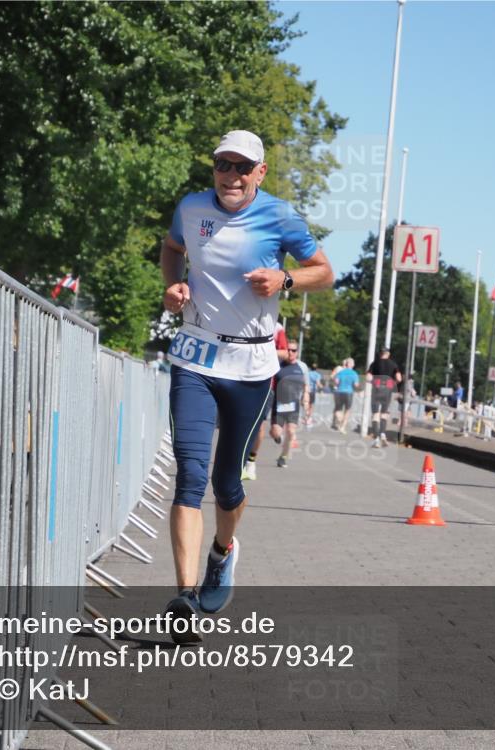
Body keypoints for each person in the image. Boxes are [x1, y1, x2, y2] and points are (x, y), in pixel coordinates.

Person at [160, 129, 333, 639]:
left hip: (251, 365)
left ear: (259, 173)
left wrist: (286, 280)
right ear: (213, 168)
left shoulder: (280, 216)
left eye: (242, 167)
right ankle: (186, 600)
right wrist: (171, 285)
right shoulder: (191, 209)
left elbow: (324, 271)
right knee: (189, 475)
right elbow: (172, 248)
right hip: (194, 354)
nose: (230, 176)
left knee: (226, 483)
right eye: (223, 165)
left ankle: (223, 552)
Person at [242, 323, 289, 481]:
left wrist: (261, 350)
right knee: (235, 421)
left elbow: (285, 353)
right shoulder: (240, 316)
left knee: (258, 424)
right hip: (237, 378)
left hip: (264, 382)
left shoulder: (277, 327)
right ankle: (235, 460)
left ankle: (251, 461)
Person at [271, 344, 309, 467]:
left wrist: (306, 400)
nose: (290, 352)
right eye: (288, 350)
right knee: (275, 432)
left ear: (297, 352)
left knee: (291, 432)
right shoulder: (278, 365)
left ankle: (283, 457)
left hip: (294, 405)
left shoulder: (302, 367)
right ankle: (278, 438)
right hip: (278, 404)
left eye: (293, 350)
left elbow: (306, 385)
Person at [366, 349, 402, 448]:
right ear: (388, 354)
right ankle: (383, 434)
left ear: (380, 354)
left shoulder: (374, 363)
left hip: (377, 389)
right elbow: (399, 378)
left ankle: (376, 439)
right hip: (388, 390)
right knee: (384, 414)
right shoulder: (394, 365)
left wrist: (373, 381)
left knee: (375, 414)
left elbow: (368, 377)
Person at [332, 358, 360, 434]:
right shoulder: (354, 373)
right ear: (352, 365)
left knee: (338, 409)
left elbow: (336, 382)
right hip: (349, 392)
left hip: (339, 392)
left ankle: (339, 419)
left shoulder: (340, 372)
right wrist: (356, 386)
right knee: (347, 410)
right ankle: (343, 427)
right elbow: (356, 385)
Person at [306, 363, 322, 429]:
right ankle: (309, 419)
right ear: (317, 368)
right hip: (312, 391)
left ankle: (306, 416)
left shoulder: (308, 373)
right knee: (311, 405)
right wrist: (322, 387)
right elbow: (318, 383)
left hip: (306, 390)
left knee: (306, 403)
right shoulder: (317, 375)